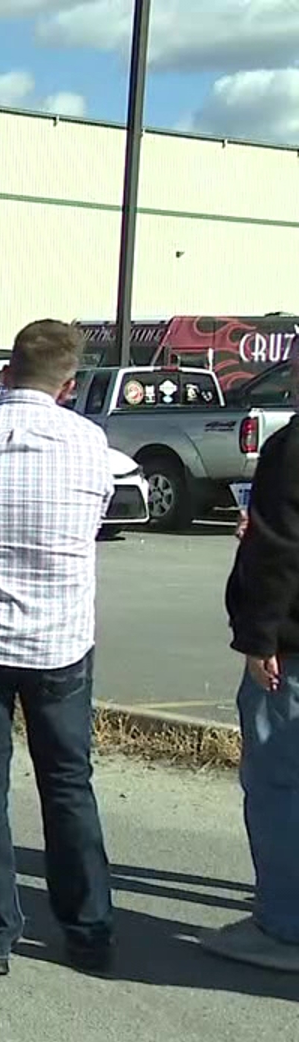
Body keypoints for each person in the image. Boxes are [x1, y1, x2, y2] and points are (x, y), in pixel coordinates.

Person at [0, 319, 114, 977]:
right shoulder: (91, 443)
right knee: (68, 783)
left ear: (7, 370)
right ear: (68, 384)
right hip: (60, 635)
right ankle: (89, 930)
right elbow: (92, 524)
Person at [214, 373, 299, 972]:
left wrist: (258, 636)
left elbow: (278, 548)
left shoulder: (291, 449)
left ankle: (283, 925)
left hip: (291, 647)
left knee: (277, 783)